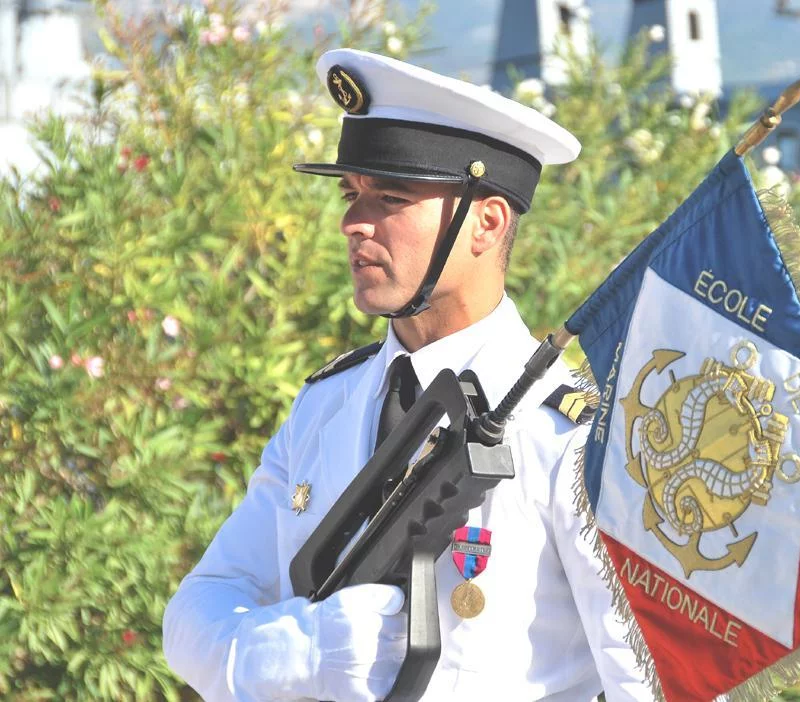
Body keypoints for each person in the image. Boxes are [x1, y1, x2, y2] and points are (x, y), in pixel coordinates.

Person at [162, 48, 654, 702]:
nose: (353, 223)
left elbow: (658, 683)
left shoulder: (573, 437)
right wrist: (297, 651)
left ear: (487, 221)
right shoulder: (325, 404)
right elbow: (198, 611)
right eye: (351, 194)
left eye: (391, 197)